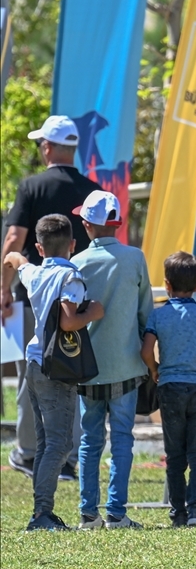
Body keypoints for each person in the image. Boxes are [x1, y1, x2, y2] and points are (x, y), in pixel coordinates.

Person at [2, 115, 100, 480]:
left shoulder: (31, 186)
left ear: (47, 147)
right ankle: (68, 457)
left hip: (35, 297)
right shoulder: (91, 188)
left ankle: (29, 453)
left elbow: (14, 240)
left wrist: (3, 289)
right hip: (76, 298)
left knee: (30, 374)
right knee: (72, 375)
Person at [1, 215, 104, 531]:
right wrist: (95, 311)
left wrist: (10, 262)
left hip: (33, 365)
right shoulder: (69, 277)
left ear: (39, 247)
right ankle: (41, 515)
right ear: (73, 245)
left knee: (46, 442)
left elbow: (16, 260)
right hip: (57, 369)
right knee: (59, 444)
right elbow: (68, 321)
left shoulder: (35, 273)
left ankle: (41, 511)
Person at [70, 191, 152, 530]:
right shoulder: (135, 258)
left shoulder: (77, 263)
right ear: (117, 224)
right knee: (123, 437)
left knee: (90, 439)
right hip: (127, 364)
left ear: (87, 224)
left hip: (87, 368)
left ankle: (88, 513)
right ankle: (117, 513)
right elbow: (146, 313)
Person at [142, 251, 196, 528]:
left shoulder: (158, 316)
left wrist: (156, 369)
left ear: (166, 284)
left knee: (175, 454)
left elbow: (145, 351)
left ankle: (177, 512)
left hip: (169, 388)